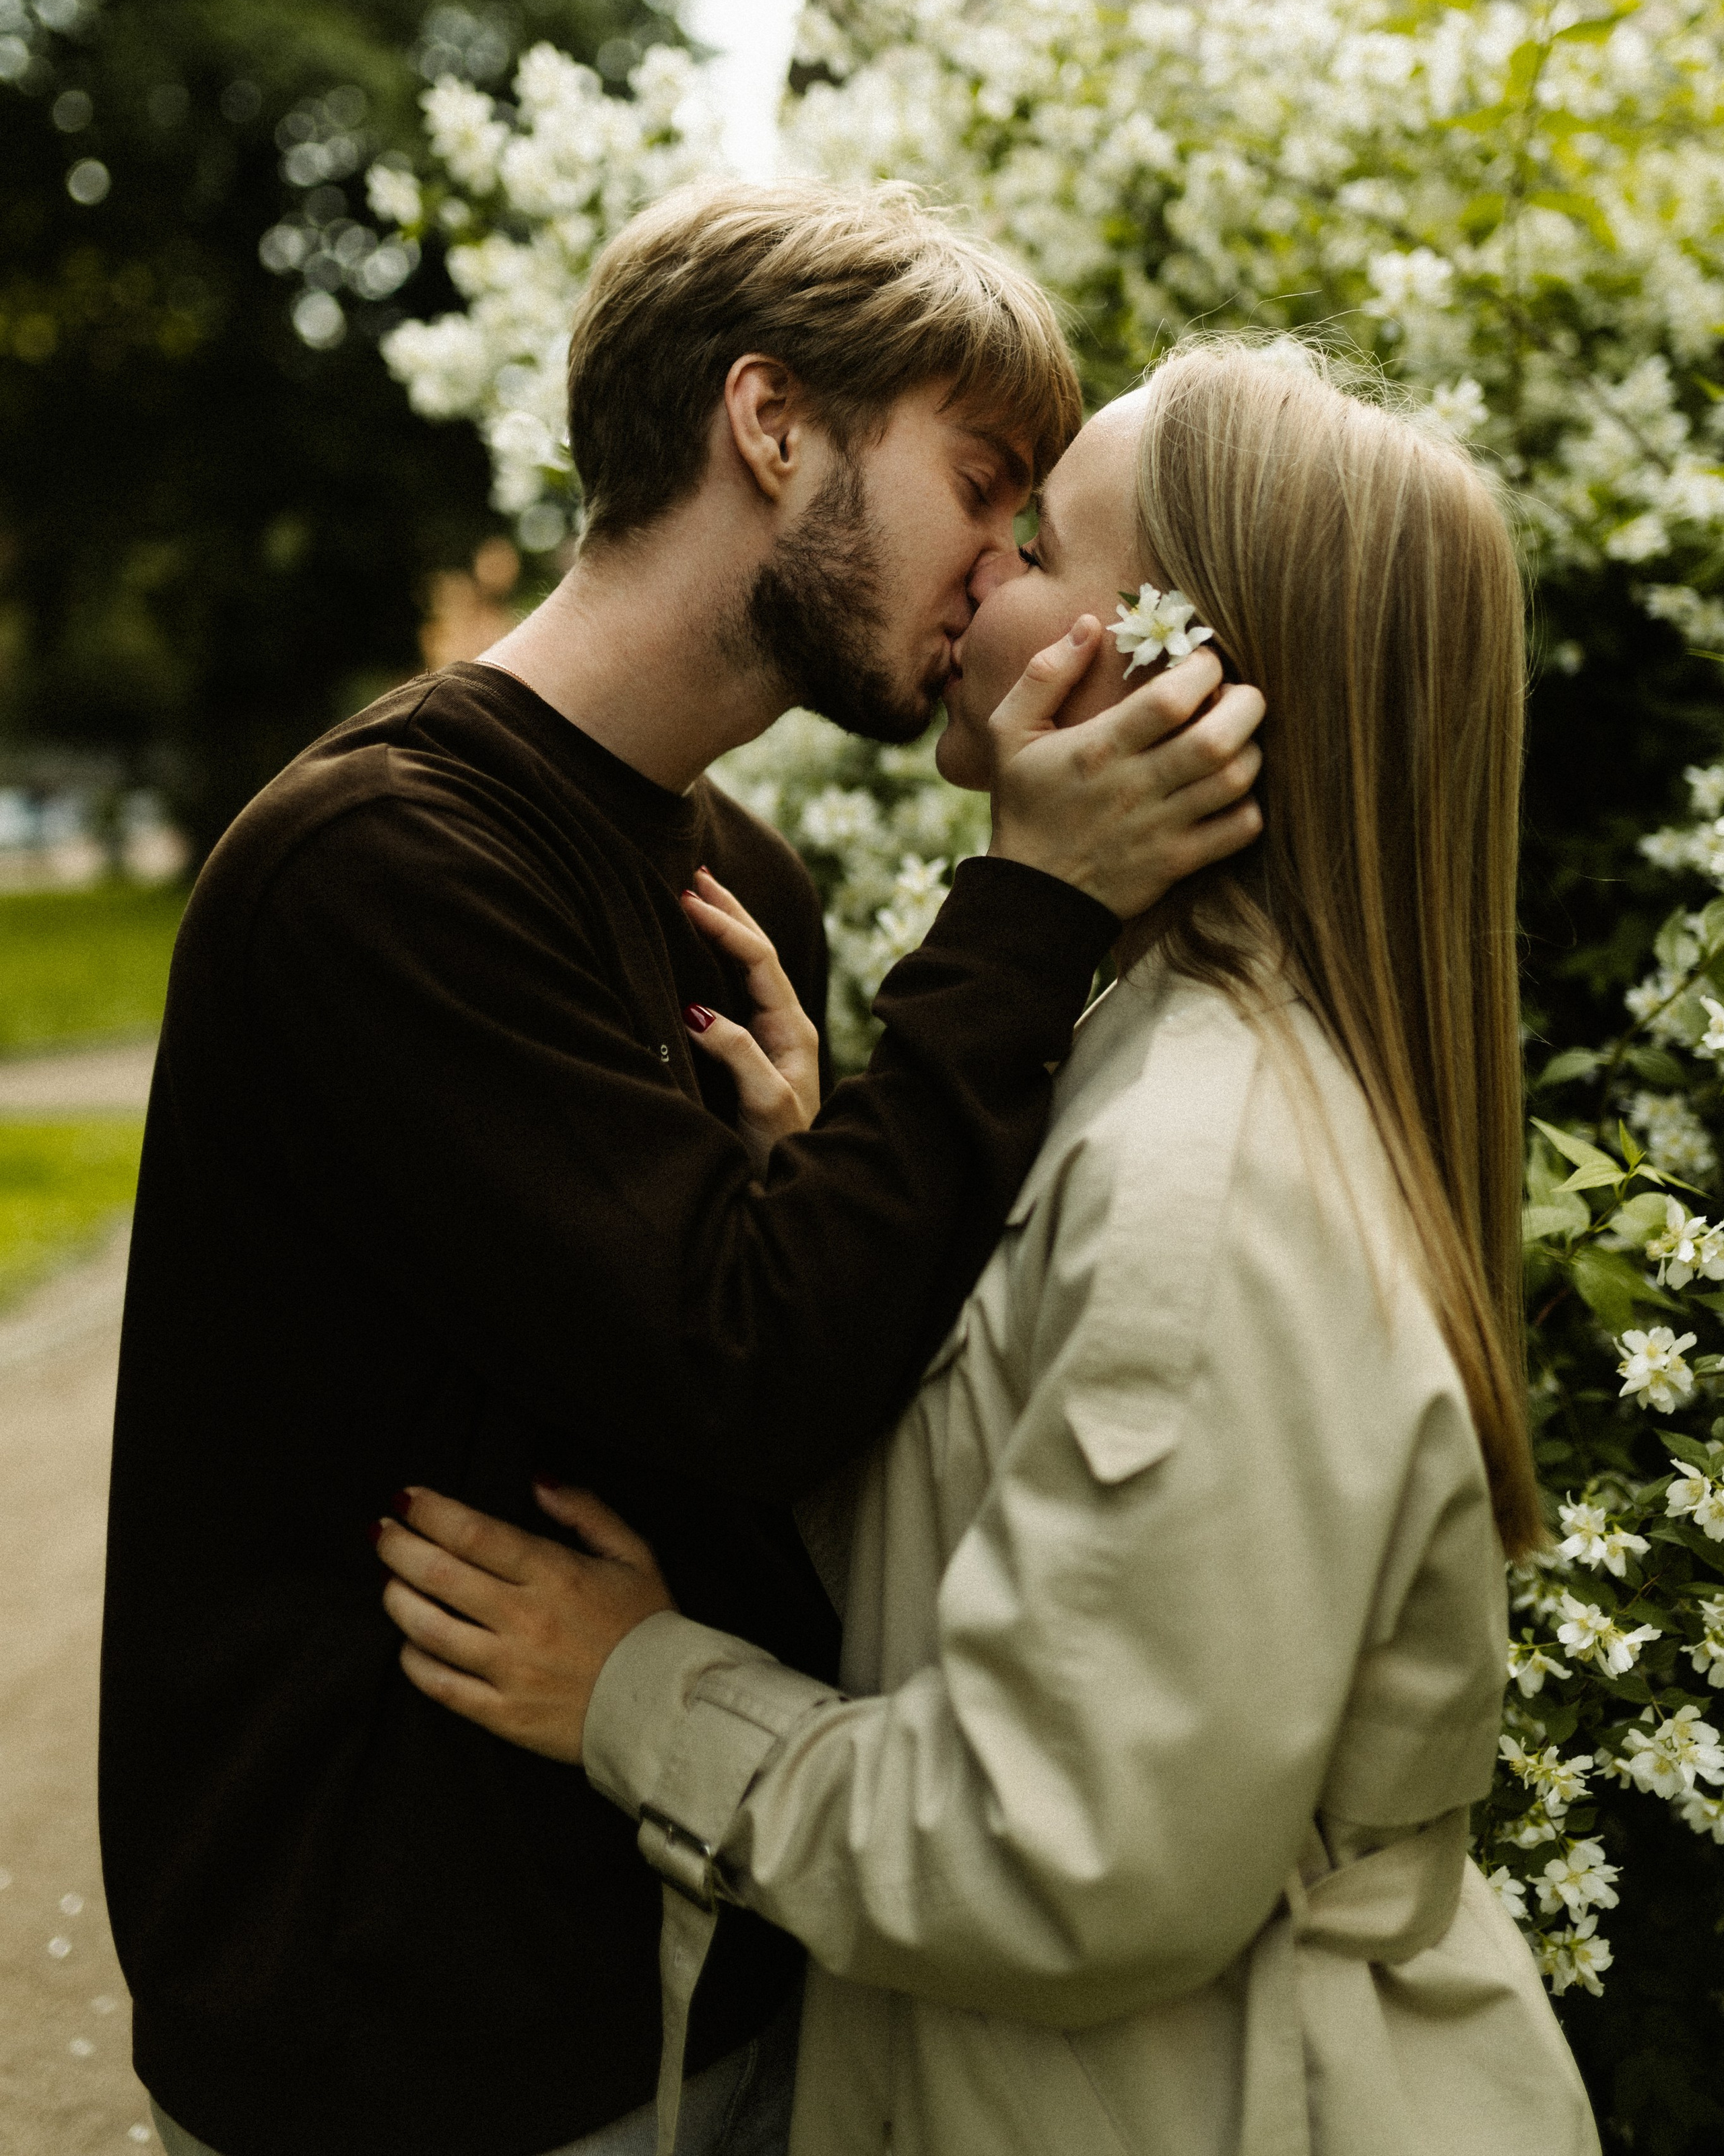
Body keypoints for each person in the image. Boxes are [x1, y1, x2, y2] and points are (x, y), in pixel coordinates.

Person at [100, 184, 1266, 2156]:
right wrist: (1033, 906)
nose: (1001, 572)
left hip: (682, 1953)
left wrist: (821, 1167)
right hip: (405, 2043)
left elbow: (771, 1392)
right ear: (771, 423)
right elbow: (744, 1360)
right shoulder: (384, 867)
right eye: (981, 483)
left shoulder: (743, 886)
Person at [371, 342, 1602, 2156]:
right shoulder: (1145, 1049)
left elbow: (1060, 1853)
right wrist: (806, 1197)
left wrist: (638, 1692)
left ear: (1180, 675)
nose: (975, 574)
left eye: (1039, 540)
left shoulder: (1211, 1180)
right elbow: (1015, 1553)